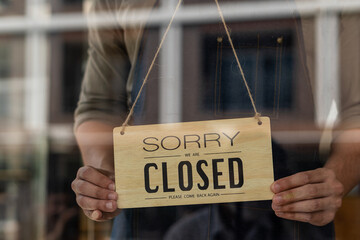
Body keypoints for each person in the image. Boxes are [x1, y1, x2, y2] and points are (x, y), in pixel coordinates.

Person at [71, 0, 360, 239]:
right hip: (153, 215)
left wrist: (334, 180)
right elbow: (100, 105)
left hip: (285, 210)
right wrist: (102, 178)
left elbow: (356, 111)